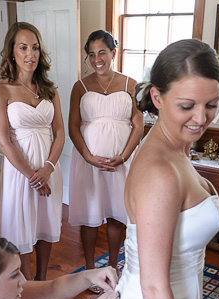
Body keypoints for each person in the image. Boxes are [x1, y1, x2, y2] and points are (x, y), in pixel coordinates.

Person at [90, 39, 219, 299]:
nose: (201, 118)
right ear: (157, 98)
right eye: (187, 105)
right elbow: (152, 282)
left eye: (211, 104)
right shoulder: (159, 172)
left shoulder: (177, 148)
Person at [0, 22, 65, 299]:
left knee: (45, 224)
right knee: (24, 228)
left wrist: (47, 168)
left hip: (48, 167)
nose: (30, 54)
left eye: (34, 47)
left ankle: (43, 281)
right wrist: (32, 175)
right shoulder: (0, 91)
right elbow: (5, 141)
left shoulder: (50, 90)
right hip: (19, 171)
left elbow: (59, 133)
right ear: (11, 51)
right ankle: (26, 288)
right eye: (23, 47)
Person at [68, 30, 143, 284]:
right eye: (91, 54)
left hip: (120, 163)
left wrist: (123, 156)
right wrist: (88, 156)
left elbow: (138, 125)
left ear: (113, 52)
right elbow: (72, 127)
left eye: (102, 52)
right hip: (88, 162)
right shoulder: (80, 87)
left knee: (116, 214)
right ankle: (90, 269)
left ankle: (112, 266)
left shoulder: (130, 85)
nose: (97, 59)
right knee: (90, 214)